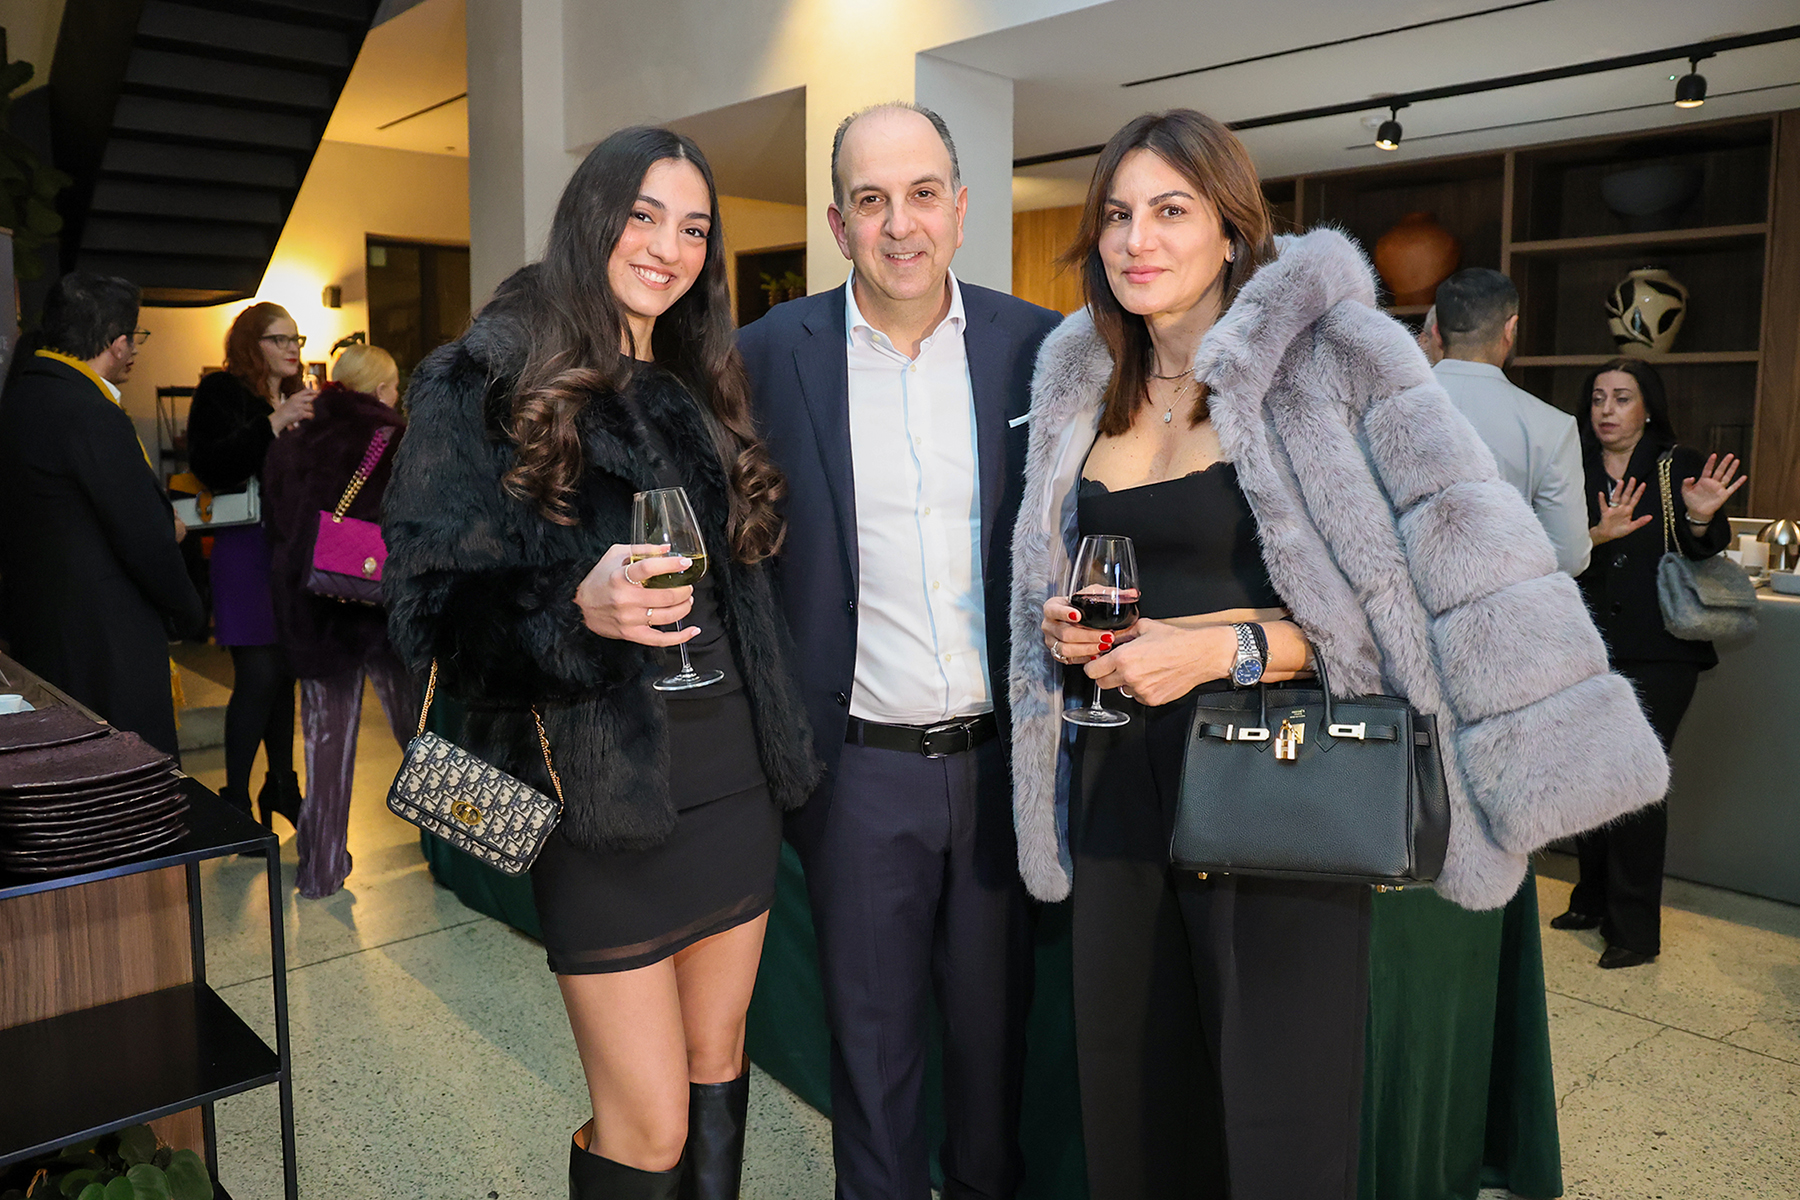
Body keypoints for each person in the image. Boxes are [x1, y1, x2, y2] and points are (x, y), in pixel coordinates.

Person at [1007, 109, 1671, 1200]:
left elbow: (1406, 605)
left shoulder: (1329, 359)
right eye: (1117, 215)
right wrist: (1063, 630)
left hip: (1281, 788)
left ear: (1232, 229)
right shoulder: (1083, 378)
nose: (1137, 239)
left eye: (1171, 210)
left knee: (1277, 1119)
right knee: (1132, 1100)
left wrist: (1225, 648)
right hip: (1117, 784)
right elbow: (1074, 571)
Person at [383, 126, 819, 1200]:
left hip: (735, 782)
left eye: (694, 229)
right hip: (598, 797)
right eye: (644, 216)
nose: (668, 248)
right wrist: (572, 609)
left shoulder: (696, 379)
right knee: (649, 1126)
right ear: (591, 217)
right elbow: (426, 608)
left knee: (718, 1066)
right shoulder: (485, 377)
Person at [738, 102, 1060, 1200]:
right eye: (871, 200)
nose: (900, 224)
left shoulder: (1040, 350)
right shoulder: (769, 356)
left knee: (993, 1056)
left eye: (923, 194)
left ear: (960, 209)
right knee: (873, 1063)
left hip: (1003, 768)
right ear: (838, 224)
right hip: (856, 773)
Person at [1557, 357, 1742, 968]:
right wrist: (1594, 535)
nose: (1606, 410)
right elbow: (1545, 546)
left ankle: (1634, 929)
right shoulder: (1570, 462)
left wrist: (1701, 516)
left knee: (1634, 779)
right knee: (1589, 776)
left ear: (1647, 406)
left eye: (1622, 398)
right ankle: (1591, 898)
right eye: (1598, 398)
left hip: (1661, 649)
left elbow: (1706, 548)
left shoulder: (1677, 464)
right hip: (1583, 643)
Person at [0, 272, 203, 755]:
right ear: (118, 343)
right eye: (135, 337)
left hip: (40, 631)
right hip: (106, 644)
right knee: (129, 779)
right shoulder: (89, 411)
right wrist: (189, 611)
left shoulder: (19, 400)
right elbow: (142, 535)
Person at [260, 344, 414, 899]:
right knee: (424, 737)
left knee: (324, 746)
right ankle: (465, 852)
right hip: (384, 610)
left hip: (313, 612)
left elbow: (277, 528)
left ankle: (320, 871)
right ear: (381, 389)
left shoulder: (291, 441)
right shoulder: (397, 440)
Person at [186, 303, 316, 824]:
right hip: (243, 550)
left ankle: (281, 785)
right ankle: (235, 799)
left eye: (296, 339)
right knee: (259, 674)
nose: (292, 349)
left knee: (284, 673)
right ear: (250, 343)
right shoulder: (221, 392)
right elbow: (211, 466)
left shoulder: (299, 397)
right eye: (279, 339)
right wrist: (274, 423)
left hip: (289, 553)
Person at [1431, 268, 1590, 577]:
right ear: (1510, 329)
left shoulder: (1376, 404)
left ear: (1436, 333)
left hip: (1385, 602)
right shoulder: (1552, 427)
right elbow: (1569, 556)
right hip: (1499, 599)